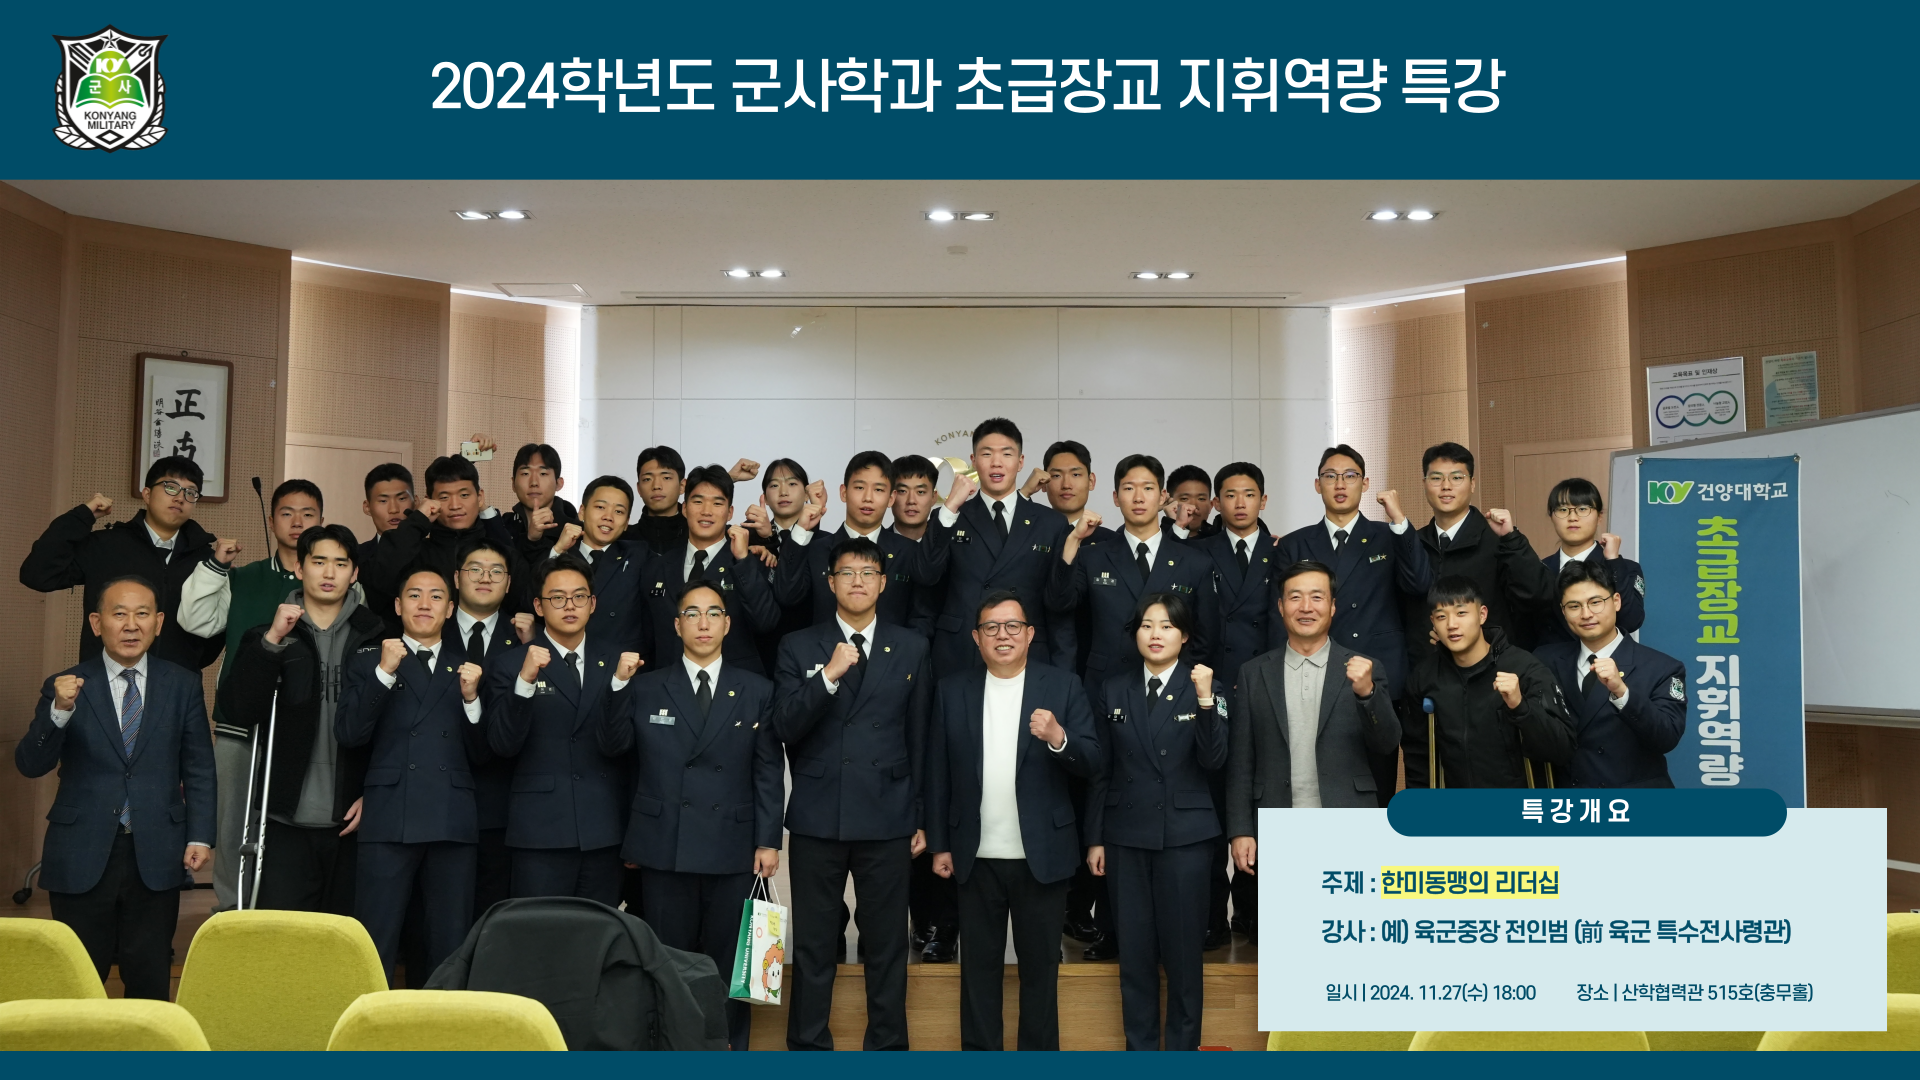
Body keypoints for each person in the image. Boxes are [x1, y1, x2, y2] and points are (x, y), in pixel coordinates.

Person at [1047, 453, 1217, 960]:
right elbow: (1059, 605)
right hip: (1107, 696)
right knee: (1106, 803)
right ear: (1115, 495)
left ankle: (1176, 930)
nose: (1138, 496)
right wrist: (1071, 543)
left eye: (1147, 488)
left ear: (1163, 497)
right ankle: (1111, 926)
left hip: (1173, 703)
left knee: (1167, 805)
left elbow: (1208, 638)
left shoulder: (1193, 560)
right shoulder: (1095, 553)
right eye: (1128, 487)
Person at [601, 579, 781, 1051]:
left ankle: (727, 1050)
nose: (704, 623)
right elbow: (614, 747)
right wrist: (617, 685)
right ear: (677, 625)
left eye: (713, 613)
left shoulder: (757, 689)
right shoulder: (645, 686)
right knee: (668, 960)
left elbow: (767, 770)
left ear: (728, 624)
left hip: (733, 845)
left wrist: (768, 840)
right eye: (693, 614)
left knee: (729, 963)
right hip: (665, 844)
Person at [15, 576, 215, 1000]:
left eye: (142, 614)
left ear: (159, 622)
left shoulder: (182, 684)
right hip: (80, 850)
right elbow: (31, 764)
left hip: (156, 849)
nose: (131, 625)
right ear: (96, 622)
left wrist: (199, 835)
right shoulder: (66, 684)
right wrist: (59, 711)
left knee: (150, 980)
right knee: (78, 982)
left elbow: (198, 766)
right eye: (119, 613)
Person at [773, 537, 932, 1051]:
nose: (857, 581)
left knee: (886, 946)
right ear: (830, 582)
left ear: (883, 583)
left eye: (868, 573)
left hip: (888, 815)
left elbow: (920, 737)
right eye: (847, 573)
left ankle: (887, 1050)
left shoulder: (912, 645)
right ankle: (809, 1049)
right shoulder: (799, 645)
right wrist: (828, 676)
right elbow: (784, 726)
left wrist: (921, 815)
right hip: (818, 815)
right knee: (814, 945)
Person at [927, 590, 1101, 1052]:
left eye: (1012, 627)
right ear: (976, 638)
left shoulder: (1062, 685)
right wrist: (940, 843)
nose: (1002, 635)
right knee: (978, 975)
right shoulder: (952, 690)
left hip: (1042, 856)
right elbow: (937, 773)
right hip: (975, 856)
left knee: (1040, 974)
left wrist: (1059, 738)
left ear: (1029, 634)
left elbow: (1092, 761)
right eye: (991, 628)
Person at [1084, 592, 1225, 1051]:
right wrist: (1095, 838)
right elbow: (1101, 770)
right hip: (1125, 835)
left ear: (1185, 636)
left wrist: (1206, 701)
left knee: (1184, 959)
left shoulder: (1206, 684)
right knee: (1135, 957)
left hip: (1185, 837)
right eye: (1147, 625)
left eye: (1167, 626)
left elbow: (1214, 759)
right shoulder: (1113, 688)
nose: (1156, 634)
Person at [336, 566, 493, 978]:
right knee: (375, 937)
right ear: (397, 605)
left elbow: (484, 754)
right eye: (414, 595)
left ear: (450, 609)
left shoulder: (468, 668)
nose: (425, 604)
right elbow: (349, 734)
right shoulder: (369, 660)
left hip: (451, 817)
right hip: (389, 812)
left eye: (436, 596)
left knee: (448, 940)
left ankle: (440, 1018)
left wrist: (472, 699)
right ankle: (370, 1017)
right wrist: (383, 674)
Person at [219, 525, 384, 913]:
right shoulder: (268, 634)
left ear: (354, 573)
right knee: (282, 938)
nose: (329, 573)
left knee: (343, 937)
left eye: (340, 563)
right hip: (283, 816)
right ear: (299, 567)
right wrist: (271, 642)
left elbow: (392, 728)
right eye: (319, 561)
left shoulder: (376, 637)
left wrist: (375, 794)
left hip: (353, 817)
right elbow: (239, 709)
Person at [178, 479, 326, 911]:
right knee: (231, 821)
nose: (297, 522)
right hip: (239, 722)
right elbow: (194, 620)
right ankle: (231, 908)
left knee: (293, 820)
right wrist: (215, 567)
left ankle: (283, 912)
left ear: (322, 520)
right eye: (287, 513)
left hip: (307, 725)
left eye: (308, 514)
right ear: (272, 520)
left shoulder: (333, 579)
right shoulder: (243, 577)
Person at [1275, 445, 1432, 818]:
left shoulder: (1388, 535)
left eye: (1350, 476)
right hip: (1312, 673)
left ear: (1365, 483)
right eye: (1330, 476)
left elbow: (1419, 583)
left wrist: (1399, 520)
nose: (1340, 484)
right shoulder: (1295, 543)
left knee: (1376, 784)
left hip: (1376, 675)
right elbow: (1278, 614)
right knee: (1314, 781)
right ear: (1317, 485)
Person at [485, 553, 636, 904]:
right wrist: (524, 682)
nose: (569, 605)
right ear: (539, 606)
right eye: (557, 597)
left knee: (599, 931)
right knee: (540, 932)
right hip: (539, 830)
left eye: (579, 596)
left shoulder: (617, 661)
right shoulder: (510, 665)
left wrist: (618, 686)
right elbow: (502, 744)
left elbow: (620, 744)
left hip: (603, 827)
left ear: (592, 604)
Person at [1226, 559, 1402, 844]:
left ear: (1332, 607)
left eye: (1317, 597)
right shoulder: (1253, 673)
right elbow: (1241, 761)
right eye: (1295, 597)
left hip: (1349, 820)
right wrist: (1240, 830)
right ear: (1281, 606)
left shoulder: (1365, 668)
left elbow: (1387, 744)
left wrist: (1367, 694)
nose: (1306, 607)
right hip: (1276, 821)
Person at [1184, 462, 1281, 943]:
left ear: (1264, 500)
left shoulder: (1283, 552)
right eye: (1229, 494)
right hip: (1213, 688)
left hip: (1267, 685)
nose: (1240, 503)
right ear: (1215, 503)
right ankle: (1212, 917)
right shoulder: (1197, 552)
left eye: (1249, 494)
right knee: (1213, 803)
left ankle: (1255, 912)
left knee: (1264, 799)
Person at [21, 456, 227, 670]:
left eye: (190, 492)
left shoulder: (208, 560)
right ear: (147, 494)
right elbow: (37, 575)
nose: (180, 498)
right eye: (171, 487)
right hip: (103, 679)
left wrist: (189, 659)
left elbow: (216, 627)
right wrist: (82, 516)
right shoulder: (105, 545)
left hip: (178, 682)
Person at [1028, 440, 1113, 955]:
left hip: (1100, 682)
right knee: (1050, 791)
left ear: (1092, 480)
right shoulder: (1034, 533)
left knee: (1094, 793)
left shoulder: (1109, 540)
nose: (1065, 483)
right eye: (1055, 474)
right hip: (1044, 677)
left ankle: (1084, 907)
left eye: (1075, 473)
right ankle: (1055, 905)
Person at [918, 418, 1076, 679]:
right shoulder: (950, 516)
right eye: (987, 454)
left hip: (1028, 653)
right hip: (961, 651)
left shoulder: (1051, 523)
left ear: (1021, 462)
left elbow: (1059, 608)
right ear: (973, 460)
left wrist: (1064, 673)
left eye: (1006, 454)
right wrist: (949, 507)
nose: (996, 463)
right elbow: (926, 575)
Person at [1403, 576, 1574, 789]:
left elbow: (1562, 749)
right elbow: (1418, 758)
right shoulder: (1424, 678)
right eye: (1441, 616)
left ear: (1482, 615)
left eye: (1461, 613)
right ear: (1433, 622)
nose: (1451, 625)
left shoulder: (1524, 668)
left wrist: (1520, 706)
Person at [1403, 442, 1557, 677]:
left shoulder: (1499, 539)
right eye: (1436, 478)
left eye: (1457, 477)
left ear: (1472, 484)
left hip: (1492, 672)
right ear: (1424, 483)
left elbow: (1538, 595)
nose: (1446, 486)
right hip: (1428, 675)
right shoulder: (1414, 543)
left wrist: (1512, 540)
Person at [1534, 560, 1685, 788]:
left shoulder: (1662, 667)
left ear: (1616, 601)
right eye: (1574, 606)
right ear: (1563, 612)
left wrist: (1622, 692)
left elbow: (1667, 738)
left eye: (1595, 602)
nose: (1586, 614)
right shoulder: (1545, 659)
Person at [888, 454, 956, 960]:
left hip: (949, 679)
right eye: (903, 489)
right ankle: (921, 919)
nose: (912, 500)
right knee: (908, 800)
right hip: (895, 687)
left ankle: (945, 922)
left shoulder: (953, 538)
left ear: (935, 495)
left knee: (945, 796)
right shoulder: (875, 550)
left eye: (921, 490)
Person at [450, 537, 530, 917]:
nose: (485, 578)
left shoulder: (526, 643)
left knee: (493, 913)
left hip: (501, 802)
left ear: (509, 583)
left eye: (496, 572)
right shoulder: (430, 629)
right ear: (457, 578)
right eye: (476, 570)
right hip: (439, 799)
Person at [639, 465, 778, 675]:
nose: (706, 511)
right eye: (698, 501)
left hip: (734, 685)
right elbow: (646, 638)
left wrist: (742, 560)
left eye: (717, 503)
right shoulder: (656, 566)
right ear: (684, 508)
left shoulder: (751, 560)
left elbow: (766, 622)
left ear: (730, 512)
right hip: (668, 684)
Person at [778, 452, 932, 634]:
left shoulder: (911, 551)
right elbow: (787, 596)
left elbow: (922, 618)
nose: (868, 497)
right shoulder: (816, 549)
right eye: (859, 487)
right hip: (826, 651)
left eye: (879, 490)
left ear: (891, 498)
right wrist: (801, 530)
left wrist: (901, 651)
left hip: (894, 651)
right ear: (843, 493)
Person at [365, 455, 527, 622]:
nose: (455, 505)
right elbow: (380, 583)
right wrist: (418, 521)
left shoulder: (503, 554)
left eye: (464, 495)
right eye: (444, 497)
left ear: (480, 498)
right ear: (429, 501)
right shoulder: (414, 553)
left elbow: (522, 608)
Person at [549, 475, 655, 657]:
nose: (608, 517)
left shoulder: (639, 555)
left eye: (619, 511)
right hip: (568, 661)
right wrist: (558, 550)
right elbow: (534, 601)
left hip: (622, 663)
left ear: (626, 523)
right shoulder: (560, 553)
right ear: (582, 512)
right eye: (600, 507)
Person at [1534, 477, 1646, 647]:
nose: (1573, 517)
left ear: (1599, 517)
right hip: (1549, 661)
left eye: (1582, 509)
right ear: (1552, 516)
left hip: (1607, 660)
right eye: (1563, 510)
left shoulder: (1625, 568)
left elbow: (1631, 621)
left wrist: (1613, 562)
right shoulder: (1539, 569)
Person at [633, 448, 762, 554]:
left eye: (666, 477)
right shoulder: (627, 538)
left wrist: (725, 480)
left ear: (682, 486)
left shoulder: (705, 528)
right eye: (647, 479)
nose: (657, 486)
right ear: (638, 488)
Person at [752, 457, 815, 674]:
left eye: (792, 483)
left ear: (806, 494)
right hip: (760, 656)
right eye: (774, 485)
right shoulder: (749, 541)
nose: (783, 492)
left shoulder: (825, 542)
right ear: (765, 498)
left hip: (811, 655)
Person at [358, 462, 416, 638]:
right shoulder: (356, 556)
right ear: (367, 507)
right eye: (383, 501)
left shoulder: (431, 552)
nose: (394, 509)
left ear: (416, 502)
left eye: (402, 498)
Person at [502, 442, 579, 568]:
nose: (534, 482)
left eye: (543, 474)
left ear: (559, 483)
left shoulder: (573, 529)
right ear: (513, 484)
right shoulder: (504, 527)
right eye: (525, 474)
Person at [1165, 464, 1219, 539]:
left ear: (1211, 506)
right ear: (1169, 503)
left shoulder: (1222, 540)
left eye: (1201, 499)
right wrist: (1178, 527)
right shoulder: (1155, 538)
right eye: (1184, 499)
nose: (1193, 506)